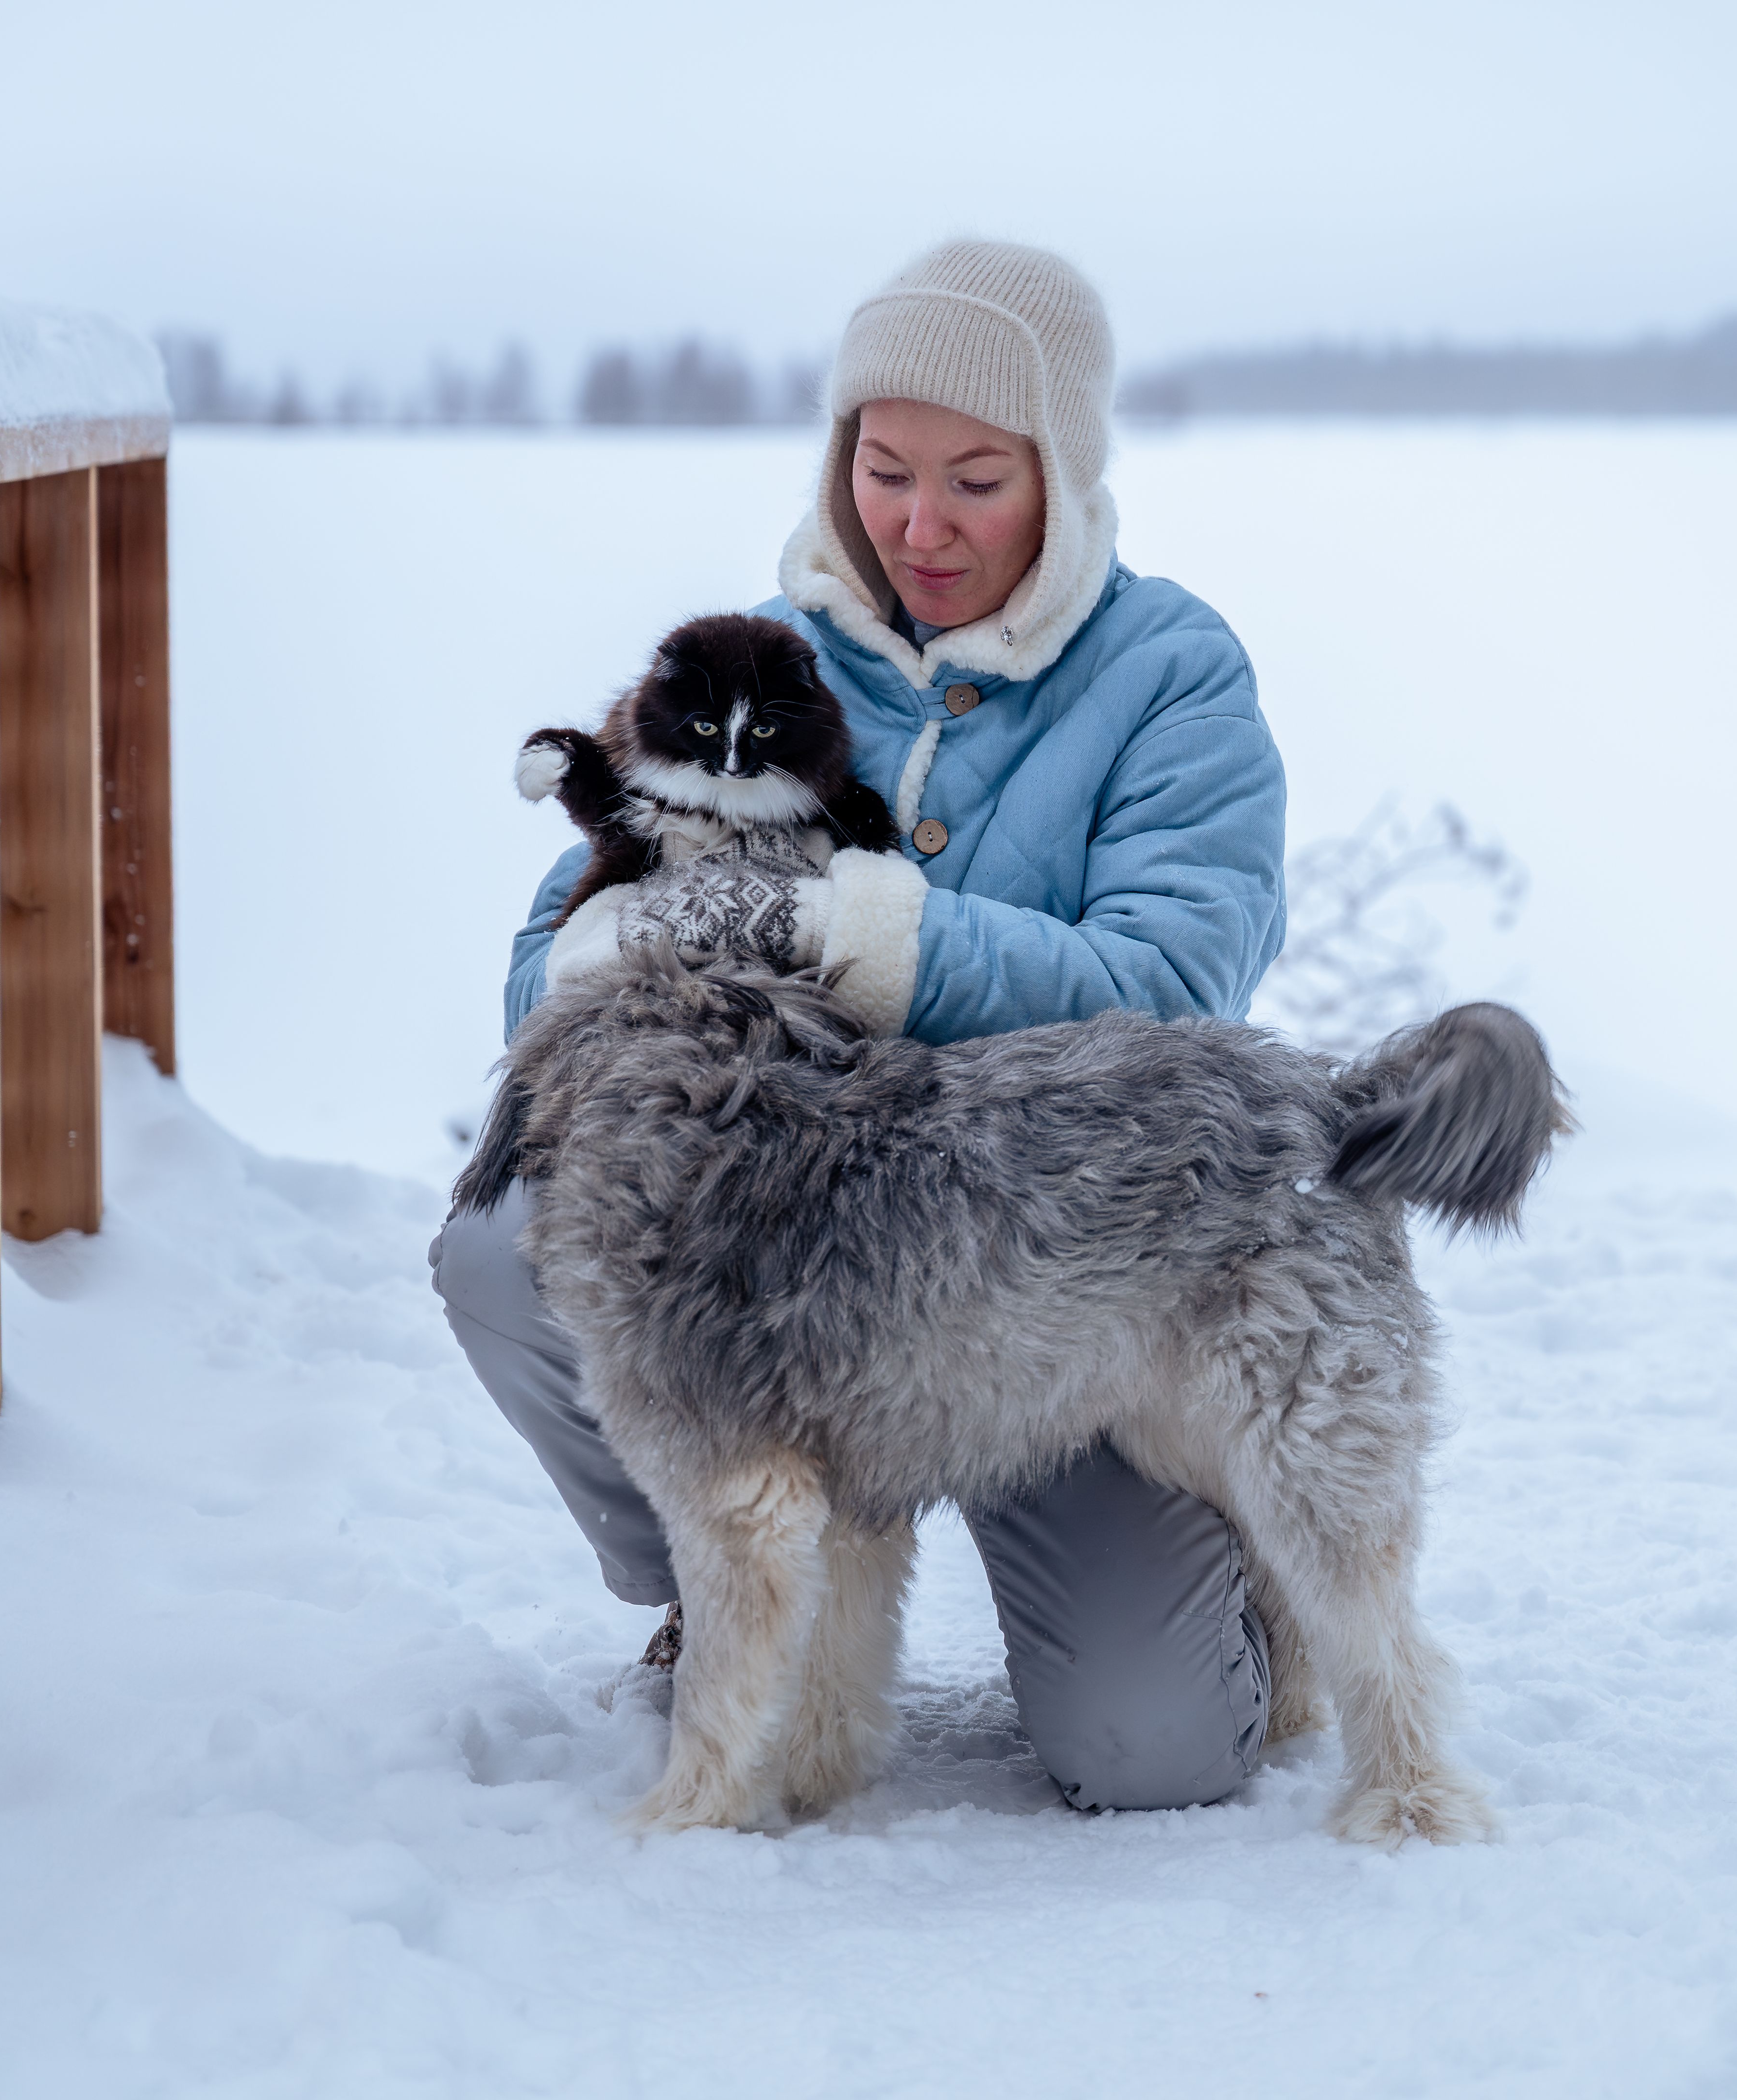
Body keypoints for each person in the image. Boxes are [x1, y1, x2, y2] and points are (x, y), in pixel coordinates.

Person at [428, 239, 1289, 1814]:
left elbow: (1173, 984)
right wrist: (623, 952)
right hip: (795, 1257)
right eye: (885, 470)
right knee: (505, 1247)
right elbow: (558, 939)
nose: (919, 524)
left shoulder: (1171, 676)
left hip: (1052, 1278)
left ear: (1065, 475)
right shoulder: (772, 654)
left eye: (977, 479)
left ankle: (1245, 1576)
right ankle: (730, 1553)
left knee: (1152, 1752)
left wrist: (867, 939)